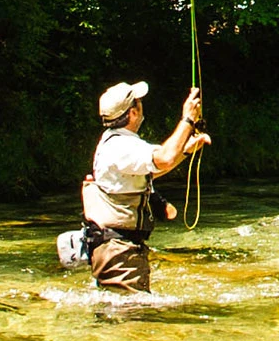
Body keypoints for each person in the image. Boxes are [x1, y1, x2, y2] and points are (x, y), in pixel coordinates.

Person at [82, 81, 212, 292]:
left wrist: (186, 151)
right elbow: (164, 157)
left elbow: (152, 170)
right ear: (133, 113)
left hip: (116, 247)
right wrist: (188, 119)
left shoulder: (115, 142)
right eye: (139, 102)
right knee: (130, 317)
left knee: (123, 313)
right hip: (119, 250)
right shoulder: (121, 146)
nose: (142, 105)